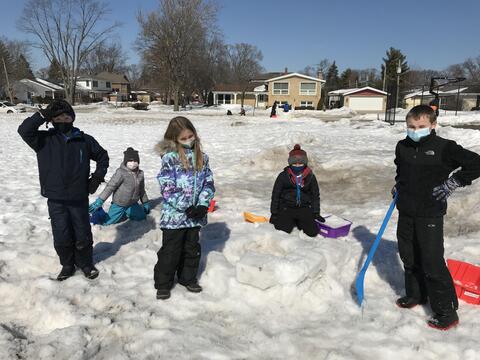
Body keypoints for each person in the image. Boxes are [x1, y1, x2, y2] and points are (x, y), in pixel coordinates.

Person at [393, 104, 480, 330]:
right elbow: (400, 170)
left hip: (430, 212)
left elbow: (476, 163)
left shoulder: (444, 147)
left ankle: (446, 311)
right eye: (411, 126)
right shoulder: (402, 146)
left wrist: (454, 182)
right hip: (406, 210)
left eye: (421, 126)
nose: (415, 130)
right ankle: (416, 295)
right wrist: (398, 185)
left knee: (431, 262)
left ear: (433, 125)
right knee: (409, 256)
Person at [18, 99, 109, 281]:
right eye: (58, 117)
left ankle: (85, 263)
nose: (63, 120)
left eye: (67, 116)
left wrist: (97, 178)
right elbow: (24, 130)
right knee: (61, 234)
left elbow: (102, 156)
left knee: (82, 232)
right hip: (56, 197)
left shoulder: (84, 140)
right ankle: (67, 265)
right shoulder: (44, 140)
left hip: (78, 196)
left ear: (73, 118)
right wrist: (42, 114)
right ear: (52, 120)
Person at [153, 116, 215, 300]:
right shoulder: (170, 159)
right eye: (184, 138)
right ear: (174, 140)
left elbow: (208, 183)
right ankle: (163, 283)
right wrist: (186, 206)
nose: (189, 140)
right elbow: (167, 187)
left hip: (195, 216)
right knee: (171, 251)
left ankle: (187, 278)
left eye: (191, 136)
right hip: (175, 217)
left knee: (192, 249)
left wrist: (203, 204)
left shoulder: (202, 157)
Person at [270, 144, 324, 237]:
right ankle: (291, 220)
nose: (297, 165)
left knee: (313, 232)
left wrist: (316, 212)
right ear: (290, 163)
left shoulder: (310, 176)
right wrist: (274, 213)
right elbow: (276, 194)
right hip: (286, 207)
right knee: (281, 230)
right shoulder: (283, 176)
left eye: (300, 163)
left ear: (305, 163)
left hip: (304, 207)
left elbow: (315, 195)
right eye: (295, 163)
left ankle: (299, 220)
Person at [88, 147, 150, 225]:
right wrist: (100, 200)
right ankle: (97, 214)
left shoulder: (140, 174)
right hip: (119, 204)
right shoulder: (121, 173)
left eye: (135, 161)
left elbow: (141, 190)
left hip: (132, 204)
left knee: (141, 217)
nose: (133, 163)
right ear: (125, 161)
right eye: (130, 160)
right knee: (107, 223)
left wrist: (145, 202)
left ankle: (127, 212)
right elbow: (110, 187)